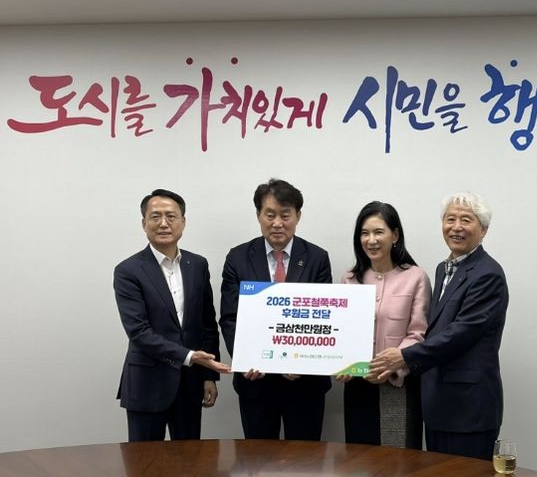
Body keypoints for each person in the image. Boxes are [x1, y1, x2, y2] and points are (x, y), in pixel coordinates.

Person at [368, 192, 509, 460]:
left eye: (466, 220)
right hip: (437, 404)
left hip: (468, 407)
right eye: (450, 219)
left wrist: (404, 356)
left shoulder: (488, 274)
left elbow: (461, 333)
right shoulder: (443, 269)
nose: (456, 227)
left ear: (483, 230)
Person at [114, 188, 230, 442]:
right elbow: (139, 332)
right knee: (144, 461)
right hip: (147, 383)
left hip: (190, 384)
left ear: (183, 222)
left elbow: (207, 324)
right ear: (143, 223)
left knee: (190, 459)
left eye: (171, 216)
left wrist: (209, 376)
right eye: (155, 216)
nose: (164, 223)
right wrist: (190, 356)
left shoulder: (197, 265)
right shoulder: (128, 270)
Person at [220, 178, 332, 440]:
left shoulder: (317, 258)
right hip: (256, 382)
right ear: (258, 215)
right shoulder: (238, 257)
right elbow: (230, 318)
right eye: (270, 215)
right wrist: (248, 358)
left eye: (285, 215)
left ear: (298, 216)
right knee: (258, 458)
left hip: (304, 383)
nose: (277, 223)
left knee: (305, 458)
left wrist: (300, 362)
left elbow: (322, 319)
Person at [338, 201, 431, 448]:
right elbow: (342, 332)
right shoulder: (349, 279)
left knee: (398, 460)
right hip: (357, 384)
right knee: (359, 460)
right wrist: (340, 363)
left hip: (398, 383)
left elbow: (418, 333)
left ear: (395, 235)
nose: (371, 240)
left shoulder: (416, 277)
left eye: (378, 232)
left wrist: (389, 367)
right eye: (364, 233)